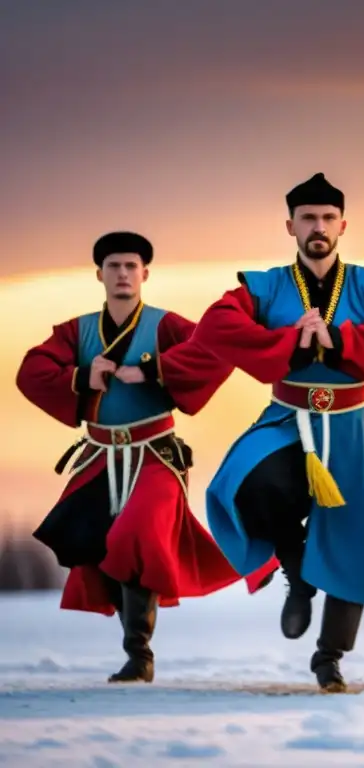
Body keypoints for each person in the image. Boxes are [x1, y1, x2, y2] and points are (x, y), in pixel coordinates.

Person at [191, 172, 364, 691]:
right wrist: (292, 345)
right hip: (287, 417)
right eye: (308, 218)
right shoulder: (263, 287)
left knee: (360, 537)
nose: (318, 227)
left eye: (328, 218)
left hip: (353, 426)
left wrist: (343, 339)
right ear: (291, 226)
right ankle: (298, 570)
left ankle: (330, 658)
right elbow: (215, 325)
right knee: (248, 484)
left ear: (343, 225)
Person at [16, 231, 245, 684]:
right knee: (98, 545)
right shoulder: (76, 331)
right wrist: (83, 376)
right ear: (99, 274)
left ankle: (138, 654)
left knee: (136, 535)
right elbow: (31, 370)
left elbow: (216, 352)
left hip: (155, 455)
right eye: (114, 266)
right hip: (100, 457)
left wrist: (157, 370)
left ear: (145, 273)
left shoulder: (166, 326)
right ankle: (137, 653)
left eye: (131, 266)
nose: (123, 273)